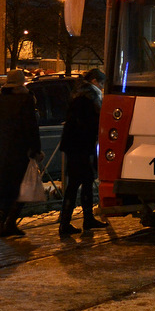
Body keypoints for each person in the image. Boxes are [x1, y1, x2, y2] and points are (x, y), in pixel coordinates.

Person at [0, 69, 42, 238]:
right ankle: (10, 222)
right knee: (22, 187)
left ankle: (2, 223)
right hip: (19, 151)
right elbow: (30, 127)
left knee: (5, 188)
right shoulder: (25, 99)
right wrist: (36, 149)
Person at [58, 68, 108, 237]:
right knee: (75, 184)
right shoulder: (89, 97)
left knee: (84, 181)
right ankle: (66, 223)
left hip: (76, 145)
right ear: (94, 81)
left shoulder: (78, 94)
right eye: (101, 83)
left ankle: (86, 219)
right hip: (81, 145)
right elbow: (91, 123)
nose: (101, 87)